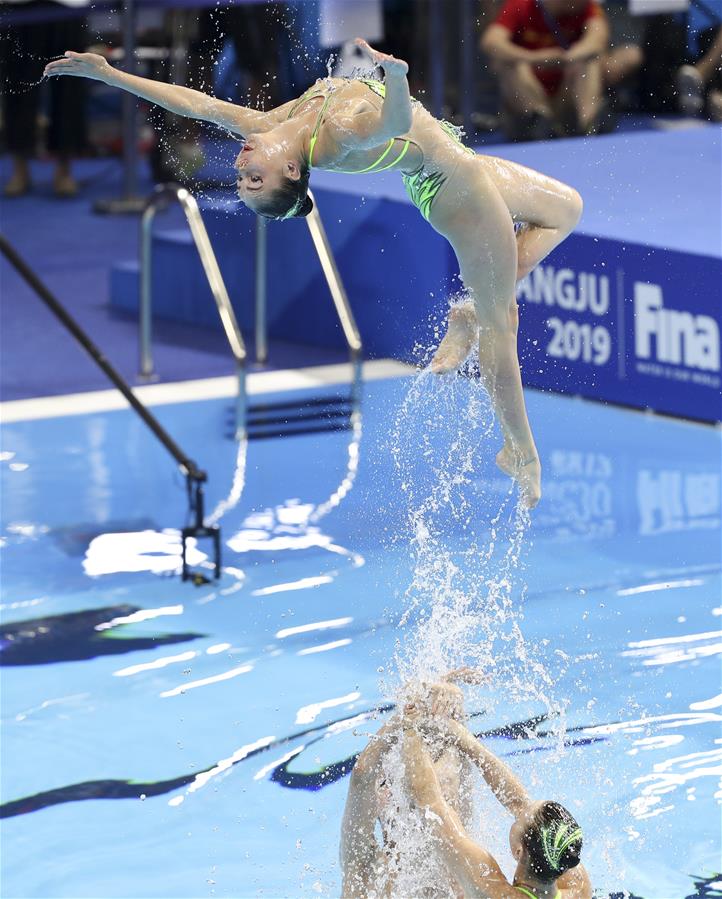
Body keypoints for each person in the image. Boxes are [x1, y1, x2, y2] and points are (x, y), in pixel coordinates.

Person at [44, 40, 584, 508]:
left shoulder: (275, 125)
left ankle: (466, 314)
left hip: (450, 163)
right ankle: (521, 449)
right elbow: (393, 123)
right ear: (291, 171)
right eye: (254, 179)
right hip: (459, 192)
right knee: (502, 324)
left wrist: (111, 76)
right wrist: (395, 80)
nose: (240, 166)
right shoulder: (339, 135)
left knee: (566, 209)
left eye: (243, 180)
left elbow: (198, 104)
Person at [400, 703, 592, 899]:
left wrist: (410, 730)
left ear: (519, 851)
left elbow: (432, 805)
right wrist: (465, 740)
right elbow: (518, 802)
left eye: (519, 818)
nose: (519, 810)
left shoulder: (492, 891)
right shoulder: (578, 885)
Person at [340, 674, 478, 899]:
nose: (398, 794)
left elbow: (456, 769)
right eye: (386, 784)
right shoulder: (366, 869)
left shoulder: (464, 868)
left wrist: (447, 705)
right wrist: (406, 715)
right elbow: (362, 775)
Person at [481, 0, 633, 139]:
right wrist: (536, 58)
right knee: (509, 64)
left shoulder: (585, 6)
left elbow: (597, 40)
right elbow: (491, 42)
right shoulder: (520, 5)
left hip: (566, 100)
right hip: (527, 103)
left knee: (588, 60)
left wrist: (567, 57)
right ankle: (540, 122)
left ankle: (591, 124)